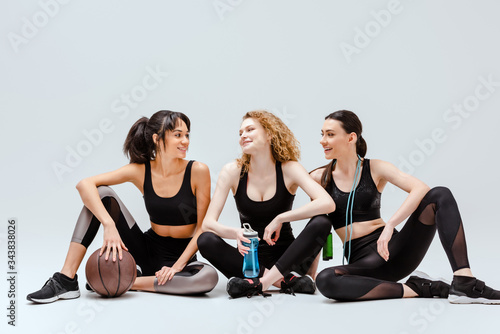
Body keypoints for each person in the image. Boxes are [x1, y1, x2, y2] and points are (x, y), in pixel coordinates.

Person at [27, 110, 218, 304]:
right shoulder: (141, 170)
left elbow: (203, 227)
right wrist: (109, 224)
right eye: (178, 135)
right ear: (157, 139)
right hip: (145, 250)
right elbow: (85, 184)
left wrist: (176, 267)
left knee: (208, 277)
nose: (185, 141)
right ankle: (66, 280)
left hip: (181, 258)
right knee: (101, 194)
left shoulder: (198, 171)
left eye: (187, 135)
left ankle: (130, 280)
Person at [313, 110, 500, 304]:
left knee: (439, 194)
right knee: (325, 279)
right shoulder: (319, 177)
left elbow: (420, 188)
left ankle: (464, 281)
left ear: (351, 137)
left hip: (394, 250)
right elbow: (316, 228)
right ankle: (420, 288)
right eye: (322, 134)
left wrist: (390, 226)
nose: (322, 140)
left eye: (330, 134)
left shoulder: (375, 167)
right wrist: (309, 274)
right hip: (363, 265)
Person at [197, 110, 335, 298]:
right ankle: (284, 282)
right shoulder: (232, 171)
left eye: (250, 129)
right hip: (250, 262)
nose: (243, 136)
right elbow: (208, 224)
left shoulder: (289, 169)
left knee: (322, 222)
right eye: (240, 133)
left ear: (269, 134)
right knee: (205, 240)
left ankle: (258, 284)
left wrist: (281, 217)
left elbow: (327, 203)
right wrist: (236, 233)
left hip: (289, 259)